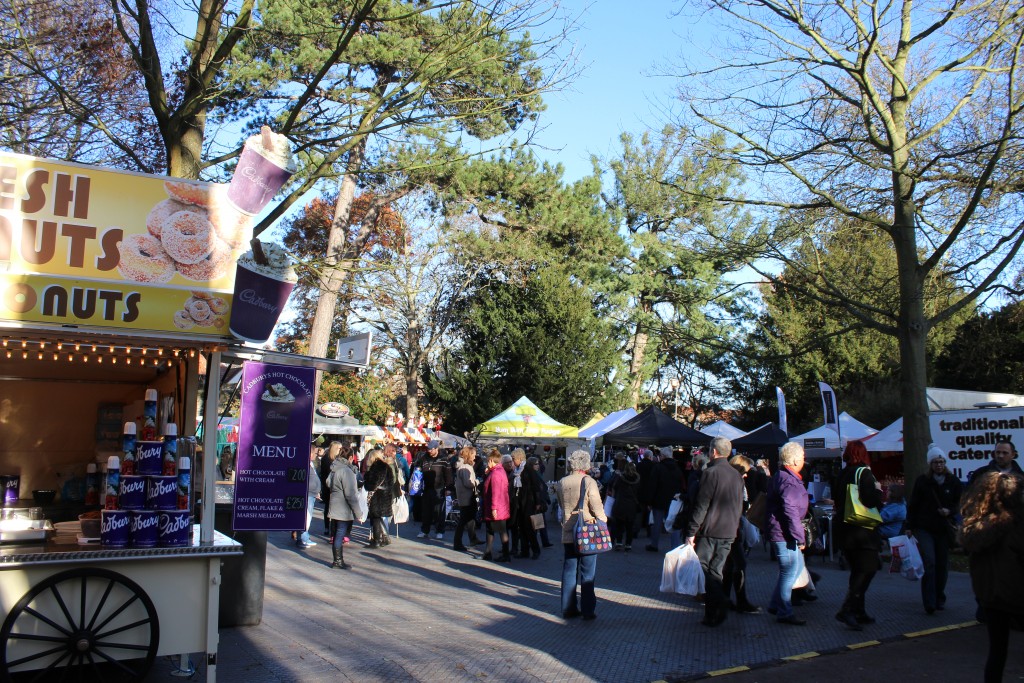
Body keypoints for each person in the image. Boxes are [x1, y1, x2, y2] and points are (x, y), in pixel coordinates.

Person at [959, 471, 1024, 683]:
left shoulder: (977, 527)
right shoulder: (1016, 525)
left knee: (997, 652)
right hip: (1016, 594)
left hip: (989, 596)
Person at [685, 437, 744, 627]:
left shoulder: (710, 473)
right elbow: (739, 504)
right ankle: (712, 614)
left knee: (703, 569)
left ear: (714, 452)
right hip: (729, 530)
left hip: (711, 530)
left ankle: (719, 601)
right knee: (716, 571)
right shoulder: (736, 475)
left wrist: (692, 531)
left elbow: (702, 505)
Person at [832, 441, 883, 630]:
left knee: (857, 570)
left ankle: (859, 610)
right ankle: (848, 609)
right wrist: (878, 490)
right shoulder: (865, 473)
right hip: (862, 531)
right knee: (866, 570)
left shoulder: (842, 474)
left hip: (845, 529)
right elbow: (871, 501)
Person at [907, 447, 964, 615]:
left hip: (943, 529)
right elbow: (914, 504)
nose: (939, 465)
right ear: (930, 464)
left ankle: (939, 595)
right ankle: (929, 600)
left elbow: (959, 503)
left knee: (942, 564)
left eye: (941, 462)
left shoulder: (953, 481)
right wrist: (909, 525)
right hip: (925, 527)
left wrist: (950, 511)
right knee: (930, 562)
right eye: (935, 462)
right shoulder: (923, 481)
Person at [556, 449, 606, 621]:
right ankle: (587, 609)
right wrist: (603, 521)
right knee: (587, 571)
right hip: (587, 530)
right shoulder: (589, 481)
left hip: (569, 529)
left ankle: (568, 607)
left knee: (569, 569)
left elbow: (562, 505)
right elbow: (596, 505)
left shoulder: (562, 481)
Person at [765, 443, 808, 625]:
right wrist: (799, 535)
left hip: (783, 531)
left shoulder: (782, 476)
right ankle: (784, 610)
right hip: (784, 533)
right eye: (803, 457)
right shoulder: (788, 480)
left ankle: (777, 604)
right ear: (796, 459)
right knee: (789, 570)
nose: (804, 460)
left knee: (794, 568)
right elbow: (789, 508)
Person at [725, 455, 761, 615]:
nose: (746, 475)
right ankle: (740, 600)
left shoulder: (731, 481)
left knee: (730, 565)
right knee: (739, 564)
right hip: (731, 528)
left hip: (729, 528)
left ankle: (726, 599)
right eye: (745, 471)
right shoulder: (735, 483)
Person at [326, 447, 362, 569]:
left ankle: (337, 559)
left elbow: (327, 483)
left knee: (337, 533)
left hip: (334, 504)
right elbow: (351, 494)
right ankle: (338, 560)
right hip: (343, 507)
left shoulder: (334, 468)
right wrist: (358, 513)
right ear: (350, 457)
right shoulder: (346, 471)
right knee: (340, 533)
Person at [644, 447, 684, 552]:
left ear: (663, 456)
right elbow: (681, 485)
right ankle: (675, 547)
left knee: (656, 523)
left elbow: (652, 485)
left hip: (659, 500)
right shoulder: (677, 469)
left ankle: (654, 544)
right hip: (673, 500)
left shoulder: (658, 468)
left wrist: (649, 500)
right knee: (673, 523)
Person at [510, 448, 544, 559]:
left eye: (513, 459)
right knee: (522, 528)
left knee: (529, 528)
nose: (512, 461)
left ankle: (535, 550)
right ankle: (524, 551)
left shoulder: (528, 469)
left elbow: (536, 487)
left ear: (519, 458)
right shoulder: (517, 471)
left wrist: (537, 502)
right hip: (520, 502)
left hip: (528, 502)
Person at [415, 440, 452, 540]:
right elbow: (417, 468)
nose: (429, 451)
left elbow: (448, 475)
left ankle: (440, 530)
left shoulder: (444, 460)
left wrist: (448, 488)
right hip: (426, 488)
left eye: (431, 449)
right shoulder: (424, 458)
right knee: (426, 511)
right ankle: (424, 530)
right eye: (428, 449)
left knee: (439, 511)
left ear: (436, 449)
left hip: (439, 488)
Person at [363, 449, 397, 549]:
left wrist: (367, 479)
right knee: (379, 516)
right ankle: (385, 538)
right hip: (386, 494)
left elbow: (371, 484)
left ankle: (376, 540)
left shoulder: (375, 467)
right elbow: (391, 481)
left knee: (376, 517)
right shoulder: (386, 466)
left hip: (378, 495)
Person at [481, 449, 511, 562]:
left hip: (497, 507)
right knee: (493, 530)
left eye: (488, 461)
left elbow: (495, 492)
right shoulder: (499, 471)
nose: (487, 463)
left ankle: (504, 554)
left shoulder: (496, 474)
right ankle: (489, 552)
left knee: (500, 531)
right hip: (501, 506)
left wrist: (494, 508)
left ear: (492, 460)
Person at [453, 446, 481, 551]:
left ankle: (473, 538)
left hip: (464, 497)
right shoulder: (465, 467)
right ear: (468, 455)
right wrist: (477, 481)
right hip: (466, 497)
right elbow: (468, 483)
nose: (475, 457)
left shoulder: (463, 466)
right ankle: (458, 543)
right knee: (463, 520)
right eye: (473, 455)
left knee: (469, 519)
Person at [609, 460, 641, 551]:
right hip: (632, 505)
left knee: (619, 525)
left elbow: (614, 487)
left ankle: (619, 542)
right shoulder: (638, 479)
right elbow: (639, 491)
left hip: (620, 503)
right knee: (630, 526)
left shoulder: (620, 478)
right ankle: (628, 544)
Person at [297, 444, 320, 549]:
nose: (316, 455)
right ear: (310, 453)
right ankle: (303, 538)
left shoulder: (310, 463)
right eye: (315, 453)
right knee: (306, 517)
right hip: (308, 494)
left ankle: (304, 537)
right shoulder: (305, 463)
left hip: (312, 493)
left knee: (308, 517)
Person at [319, 441, 341, 538]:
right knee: (328, 507)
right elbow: (325, 473)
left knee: (331, 507)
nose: (341, 450)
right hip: (328, 486)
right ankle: (327, 527)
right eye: (339, 448)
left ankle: (330, 527)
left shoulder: (337, 458)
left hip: (333, 486)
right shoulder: (327, 459)